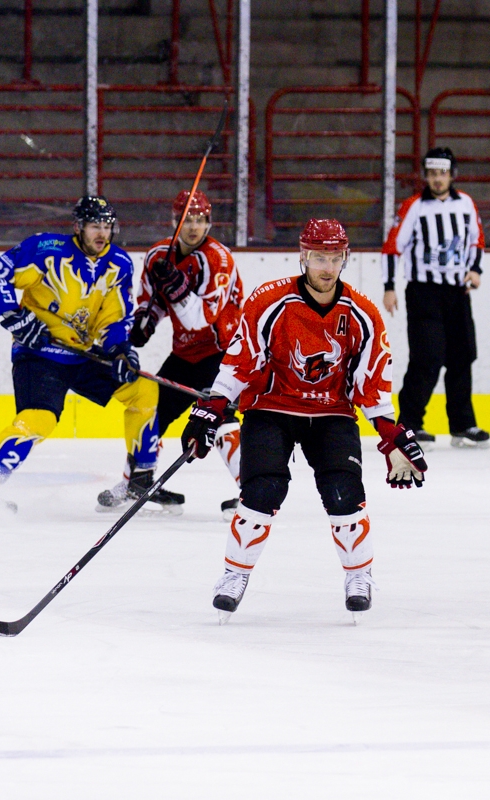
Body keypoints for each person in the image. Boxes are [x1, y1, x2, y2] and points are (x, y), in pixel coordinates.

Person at [181, 218, 429, 623]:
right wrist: (213, 407)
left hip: (331, 413)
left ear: (345, 258)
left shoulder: (363, 313)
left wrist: (390, 434)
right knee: (262, 489)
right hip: (271, 408)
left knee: (344, 492)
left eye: (335, 258)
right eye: (318, 258)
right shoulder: (270, 300)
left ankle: (359, 576)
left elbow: (371, 382)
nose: (327, 267)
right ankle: (234, 575)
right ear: (303, 256)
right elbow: (241, 359)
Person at [0, 196, 180, 517]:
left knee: (143, 391)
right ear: (78, 227)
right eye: (95, 226)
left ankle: (140, 481)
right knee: (40, 419)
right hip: (40, 353)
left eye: (107, 226)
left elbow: (114, 318)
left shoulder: (119, 263)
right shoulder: (46, 249)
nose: (102, 233)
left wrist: (120, 349)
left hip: (84, 354)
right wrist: (16, 318)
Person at [129, 189, 244, 517]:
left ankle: (253, 492)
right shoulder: (158, 255)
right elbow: (151, 300)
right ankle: (136, 482)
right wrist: (145, 322)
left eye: (200, 220)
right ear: (174, 221)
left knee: (218, 417)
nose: (193, 226)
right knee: (151, 411)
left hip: (224, 352)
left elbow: (201, 319)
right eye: (186, 220)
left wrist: (177, 286)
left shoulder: (218, 259)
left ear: (209, 222)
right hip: (185, 353)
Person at [382, 146, 489, 448]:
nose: (437, 179)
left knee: (462, 356)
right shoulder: (414, 206)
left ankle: (463, 425)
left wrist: (475, 270)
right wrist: (389, 286)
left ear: (452, 174)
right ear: (425, 175)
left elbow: (476, 240)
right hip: (423, 292)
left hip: (457, 292)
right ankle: (409, 424)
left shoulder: (466, 203)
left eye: (442, 173)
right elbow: (392, 247)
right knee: (427, 358)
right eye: (432, 173)